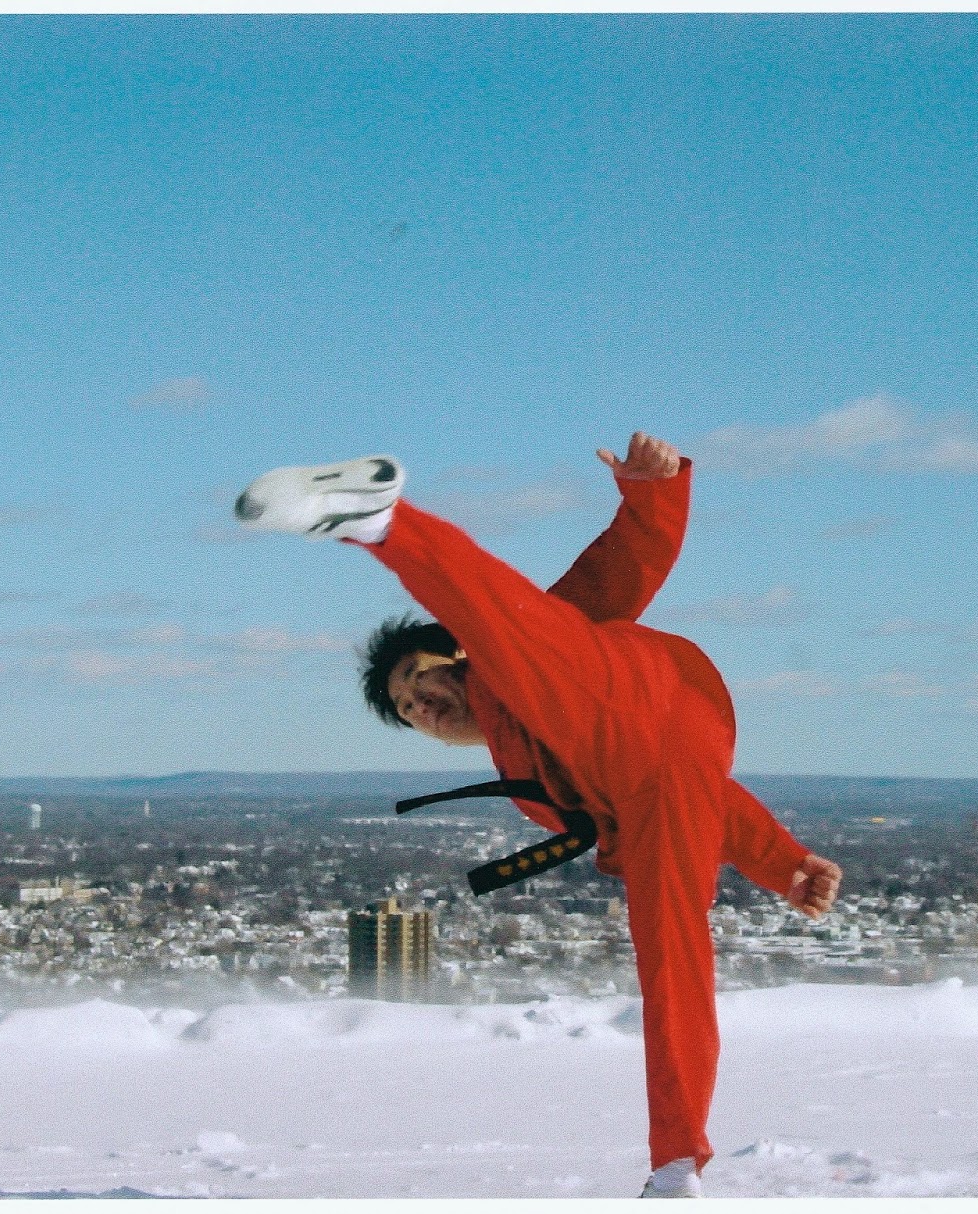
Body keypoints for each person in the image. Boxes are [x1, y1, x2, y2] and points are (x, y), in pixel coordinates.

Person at [235, 432, 842, 1199]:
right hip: (660, 782)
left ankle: (384, 521)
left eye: (419, 677)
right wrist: (784, 864)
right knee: (669, 955)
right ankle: (677, 1162)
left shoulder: (506, 650)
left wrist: (653, 492)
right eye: (406, 709)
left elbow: (621, 568)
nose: (420, 702)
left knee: (515, 631)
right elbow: (696, 793)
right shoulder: (523, 775)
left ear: (449, 656)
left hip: (627, 686)